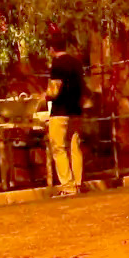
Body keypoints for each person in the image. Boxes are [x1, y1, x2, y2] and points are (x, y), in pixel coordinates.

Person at [44, 34, 84, 197]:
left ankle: (67, 186)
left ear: (51, 49)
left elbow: (55, 89)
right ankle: (78, 182)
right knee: (75, 147)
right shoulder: (76, 63)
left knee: (58, 147)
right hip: (76, 111)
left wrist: (43, 97)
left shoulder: (57, 64)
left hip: (60, 111)